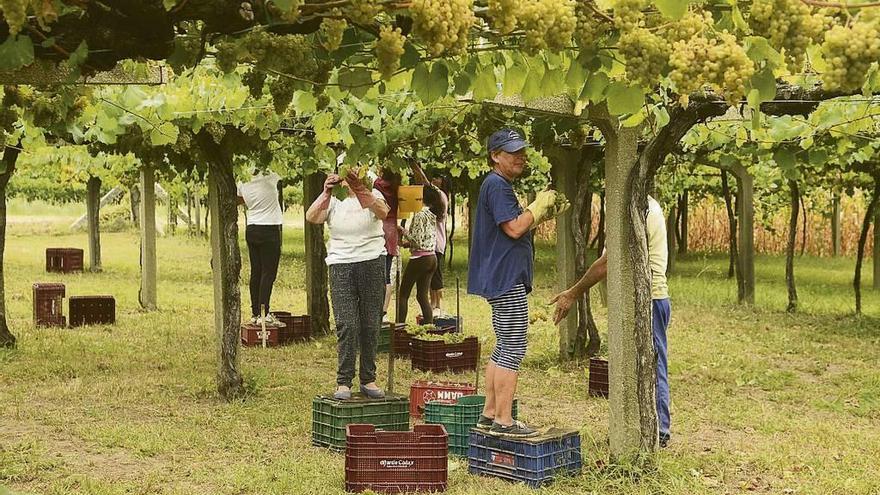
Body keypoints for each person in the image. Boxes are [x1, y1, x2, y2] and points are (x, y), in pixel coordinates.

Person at [468, 128, 568, 437]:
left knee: (503, 347)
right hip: (505, 277)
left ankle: (489, 415)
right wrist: (536, 207)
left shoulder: (499, 185)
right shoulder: (497, 185)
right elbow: (513, 228)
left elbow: (513, 227)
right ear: (495, 156)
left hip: (502, 276)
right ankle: (503, 421)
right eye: (512, 152)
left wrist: (538, 216)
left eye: (522, 151)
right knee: (513, 348)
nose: (520, 157)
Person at [550, 195, 672, 447]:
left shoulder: (637, 209)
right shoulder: (643, 204)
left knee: (653, 363)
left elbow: (607, 263)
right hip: (649, 299)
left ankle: (659, 431)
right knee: (642, 363)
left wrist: (572, 293)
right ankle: (644, 429)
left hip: (650, 299)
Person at [305, 170, 390, 400]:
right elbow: (312, 217)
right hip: (341, 264)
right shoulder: (334, 199)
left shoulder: (372, 194)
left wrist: (362, 191)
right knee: (347, 323)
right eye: (345, 176)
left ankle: (368, 379)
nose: (349, 181)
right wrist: (325, 192)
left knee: (371, 323)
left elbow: (383, 212)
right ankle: (344, 382)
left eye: (354, 176)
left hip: (371, 262)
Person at [237, 169, 283, 326]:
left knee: (256, 271)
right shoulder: (270, 174)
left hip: (252, 228)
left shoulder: (242, 179)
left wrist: (254, 199)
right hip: (269, 228)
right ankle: (265, 313)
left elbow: (238, 198)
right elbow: (283, 169)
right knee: (268, 273)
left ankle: (255, 313)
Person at [397, 185, 445, 324]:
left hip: (420, 258)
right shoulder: (432, 214)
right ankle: (429, 325)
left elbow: (416, 240)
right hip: (431, 256)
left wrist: (404, 232)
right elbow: (425, 238)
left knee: (403, 294)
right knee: (422, 295)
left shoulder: (419, 214)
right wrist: (407, 244)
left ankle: (400, 327)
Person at [409, 164, 449, 316]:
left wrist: (416, 168)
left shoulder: (440, 196)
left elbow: (425, 183)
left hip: (436, 243)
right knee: (432, 277)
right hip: (432, 242)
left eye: (438, 178)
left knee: (436, 277)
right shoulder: (437, 196)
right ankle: (433, 306)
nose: (434, 180)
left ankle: (437, 306)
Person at [372, 169, 402, 322]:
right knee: (387, 274)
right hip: (392, 231)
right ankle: (384, 312)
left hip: (380, 230)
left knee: (378, 274)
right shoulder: (398, 186)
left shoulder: (378, 184)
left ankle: (378, 310)